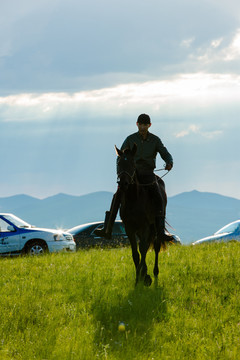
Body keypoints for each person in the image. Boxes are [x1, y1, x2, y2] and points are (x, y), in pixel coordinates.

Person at [95, 113, 173, 239]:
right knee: (117, 196)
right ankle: (107, 228)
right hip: (132, 175)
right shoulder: (130, 139)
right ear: (137, 124)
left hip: (148, 174)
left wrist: (169, 162)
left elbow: (164, 152)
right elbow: (119, 157)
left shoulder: (155, 140)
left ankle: (161, 231)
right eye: (141, 124)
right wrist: (122, 174)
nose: (143, 127)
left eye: (145, 125)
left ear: (149, 125)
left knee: (159, 196)